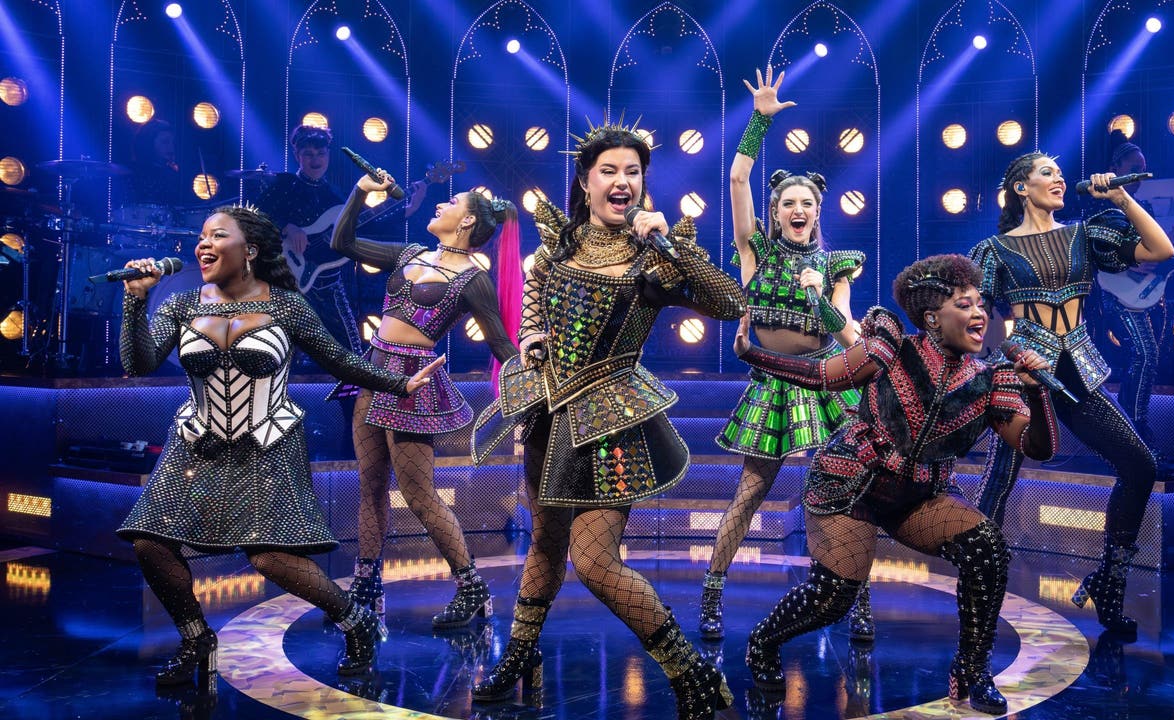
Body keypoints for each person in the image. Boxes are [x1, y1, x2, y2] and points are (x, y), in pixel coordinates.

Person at [468, 118, 746, 718]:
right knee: (545, 543)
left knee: (595, 563)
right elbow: (535, 302)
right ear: (585, 180)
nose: (623, 182)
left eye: (633, 173)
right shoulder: (558, 248)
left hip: (612, 420)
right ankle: (519, 654)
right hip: (547, 413)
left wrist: (670, 244)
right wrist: (533, 337)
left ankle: (689, 670)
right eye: (610, 171)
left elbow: (731, 302)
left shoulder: (653, 259)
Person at [115, 205, 440, 685]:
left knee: (269, 558)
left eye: (217, 235)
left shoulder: (286, 306)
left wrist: (400, 385)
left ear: (249, 250)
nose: (203, 244)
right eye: (201, 236)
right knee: (149, 542)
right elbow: (138, 364)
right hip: (196, 443)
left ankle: (357, 620)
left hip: (267, 444)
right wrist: (135, 301)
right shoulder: (182, 304)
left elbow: (339, 360)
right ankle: (196, 639)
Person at [733, 254, 1059, 715]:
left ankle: (972, 670)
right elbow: (823, 377)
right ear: (932, 317)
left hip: (918, 496)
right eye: (964, 305)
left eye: (981, 304)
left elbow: (1035, 446)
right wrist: (753, 354)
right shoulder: (891, 348)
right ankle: (764, 641)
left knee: (986, 548)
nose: (979, 314)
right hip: (850, 484)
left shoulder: (991, 381)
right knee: (833, 599)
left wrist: (1039, 391)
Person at [969, 152, 1174, 637]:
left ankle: (1109, 581)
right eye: (1047, 172)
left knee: (1140, 465)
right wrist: (1008, 356)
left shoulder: (1085, 233)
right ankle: (977, 593)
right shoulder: (993, 250)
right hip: (1024, 373)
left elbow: (1161, 249)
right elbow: (974, 317)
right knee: (999, 482)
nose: (1059, 178)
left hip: (1078, 370)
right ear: (1021, 187)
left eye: (1061, 173)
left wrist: (1121, 198)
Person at [702, 66, 867, 643]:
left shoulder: (836, 264)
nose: (798, 210)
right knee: (750, 492)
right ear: (775, 213)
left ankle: (857, 597)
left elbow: (848, 338)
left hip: (824, 383)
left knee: (846, 493)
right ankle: (713, 591)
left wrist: (821, 300)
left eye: (807, 203)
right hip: (772, 384)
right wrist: (758, 121)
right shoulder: (757, 253)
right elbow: (737, 179)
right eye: (789, 203)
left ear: (818, 212)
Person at [328, 171, 521, 637]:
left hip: (414, 385)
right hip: (373, 371)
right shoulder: (410, 254)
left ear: (467, 220)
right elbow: (342, 242)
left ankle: (472, 587)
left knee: (418, 494)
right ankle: (366, 583)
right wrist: (359, 192)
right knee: (371, 485)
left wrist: (532, 373)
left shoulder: (473, 279)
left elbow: (500, 343)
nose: (439, 204)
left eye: (451, 202)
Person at [255, 124, 362, 353]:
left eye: (320, 154)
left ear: (328, 155)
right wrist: (287, 226)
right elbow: (254, 217)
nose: (316, 160)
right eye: (308, 154)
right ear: (297, 155)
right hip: (288, 279)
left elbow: (365, 226)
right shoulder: (284, 184)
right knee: (279, 349)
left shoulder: (335, 194)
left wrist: (408, 208)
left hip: (328, 283)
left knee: (350, 351)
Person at [1086, 132, 1165, 443]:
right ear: (1115, 169)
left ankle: (1131, 427)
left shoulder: (1142, 208)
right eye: (1133, 169)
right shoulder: (1100, 205)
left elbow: (1154, 250)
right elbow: (1096, 249)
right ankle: (1133, 429)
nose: (1139, 176)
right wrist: (1130, 262)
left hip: (1143, 293)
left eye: (1142, 169)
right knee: (1144, 354)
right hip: (1115, 294)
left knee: (1146, 356)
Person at [125, 119, 182, 207]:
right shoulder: (134, 173)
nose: (171, 147)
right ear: (149, 143)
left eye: (172, 143)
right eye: (165, 142)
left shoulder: (172, 173)